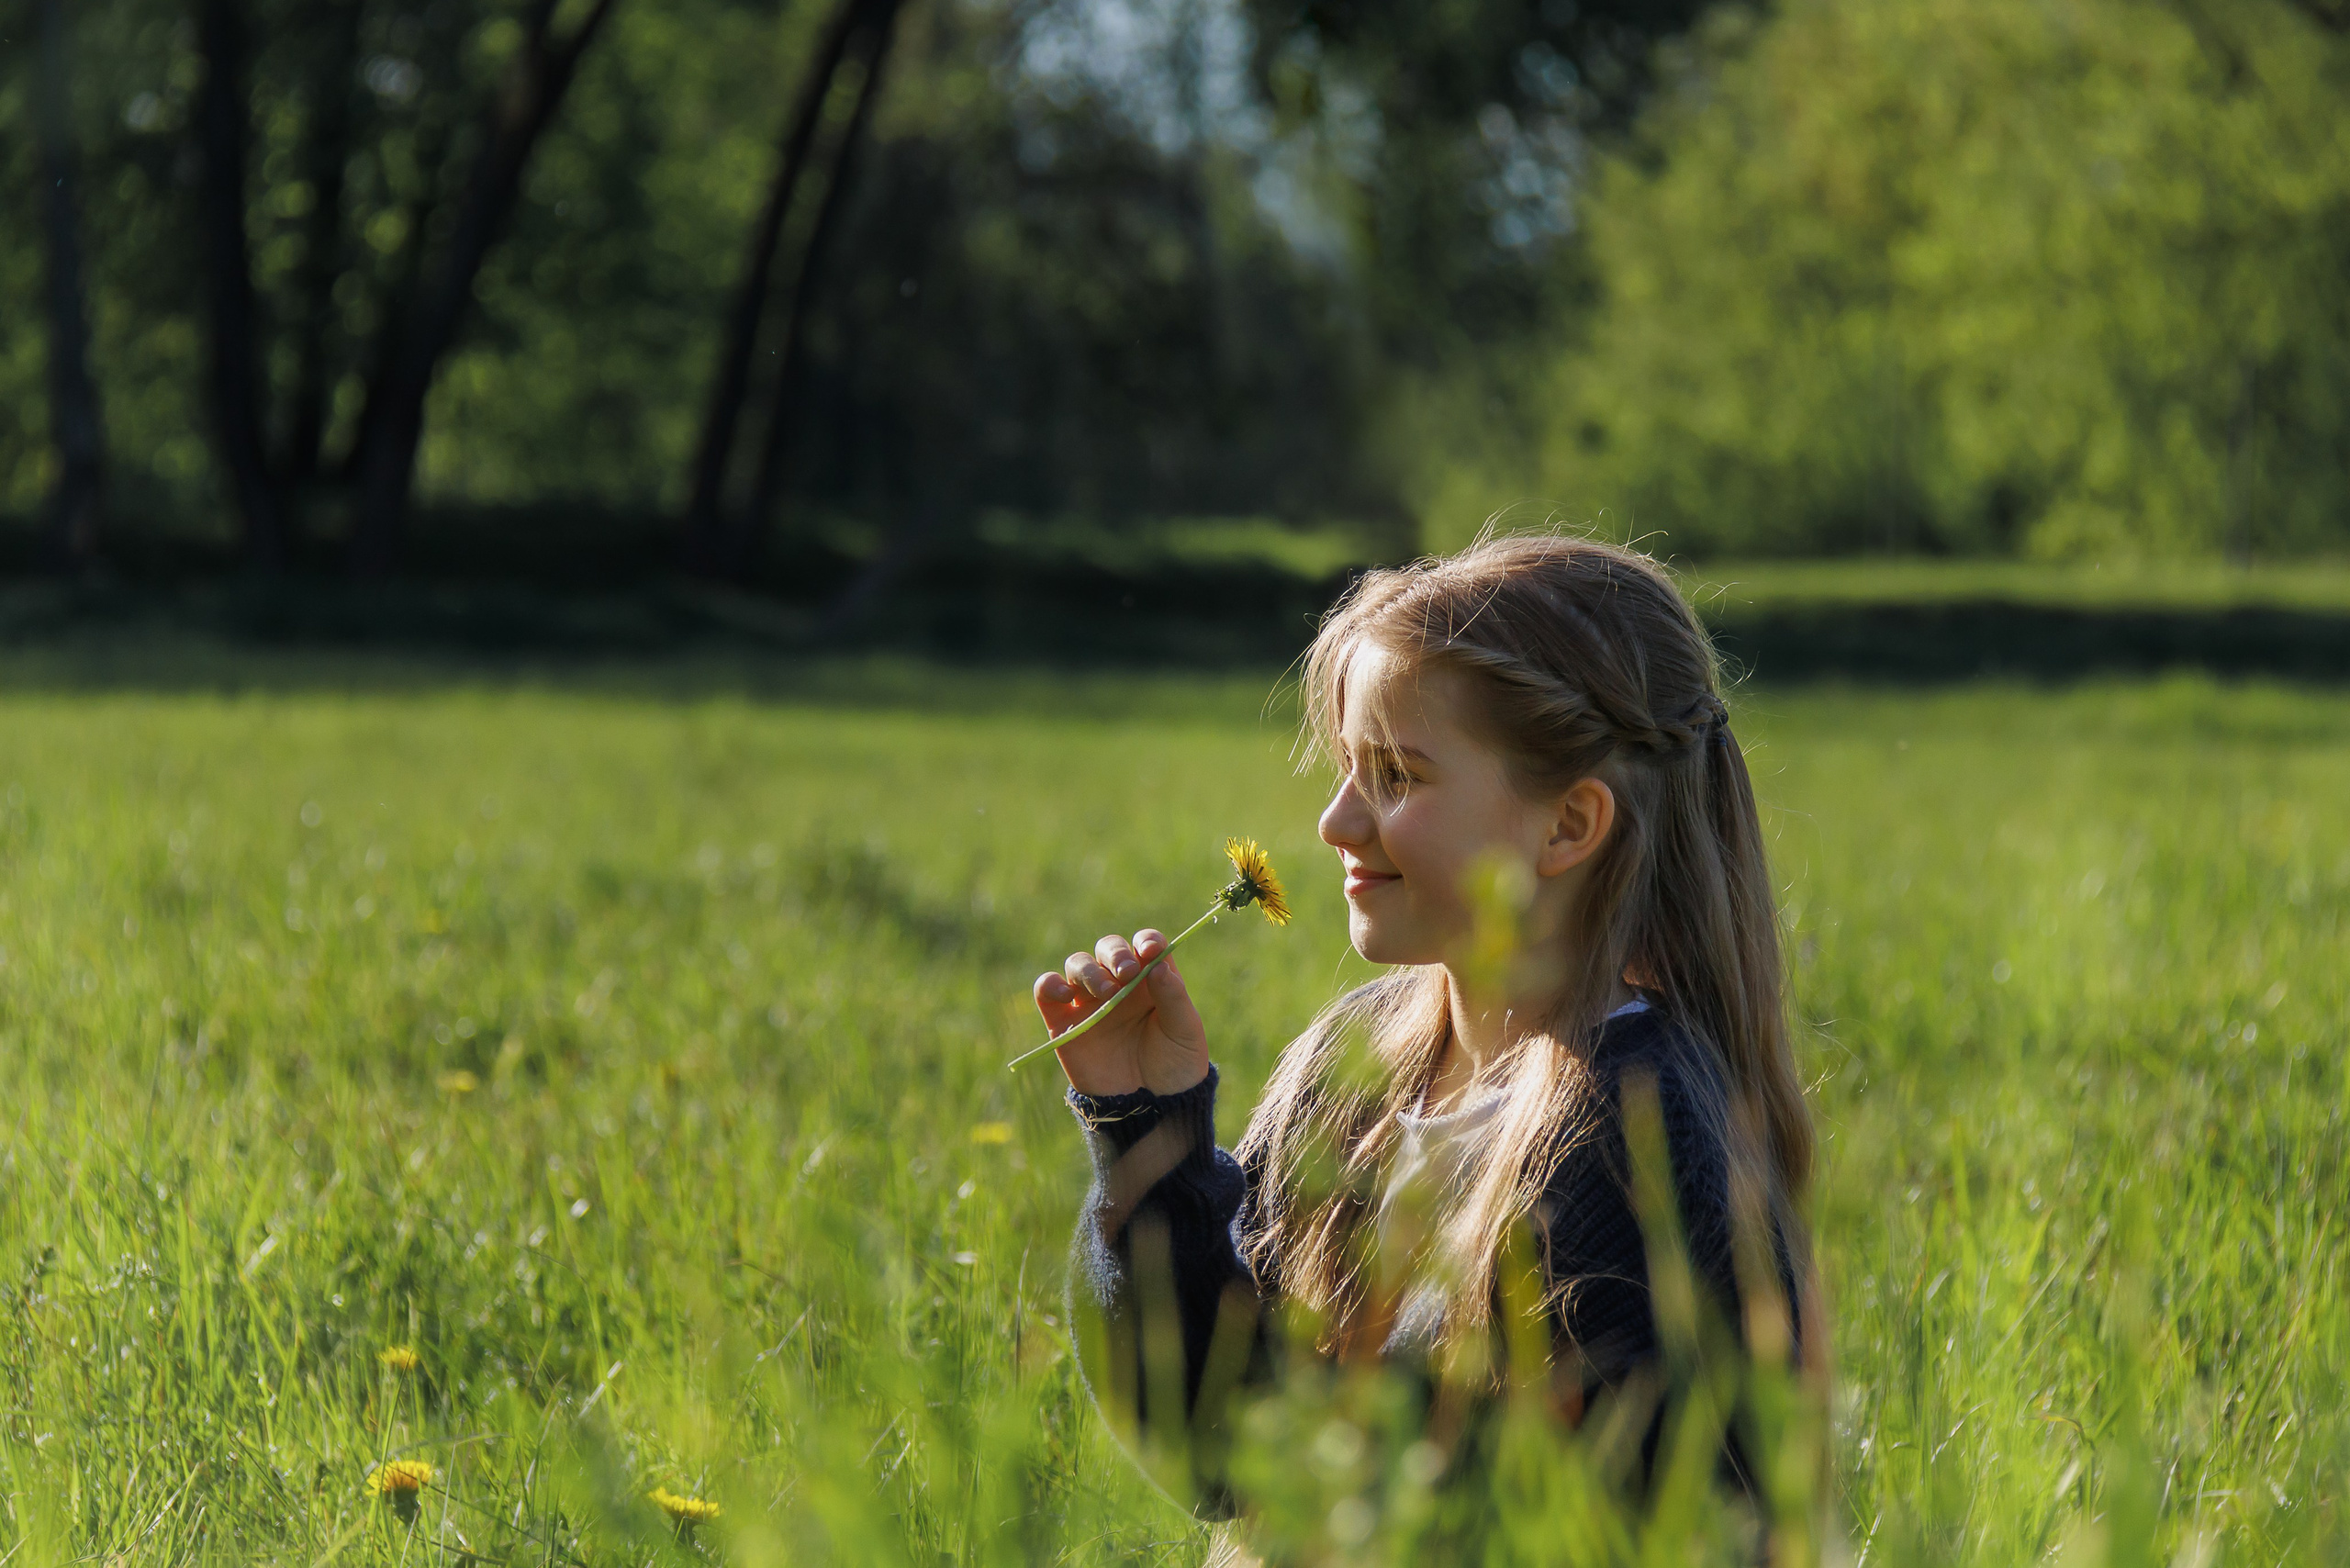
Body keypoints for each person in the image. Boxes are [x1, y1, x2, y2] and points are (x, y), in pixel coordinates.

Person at [1034, 534, 1815, 1529]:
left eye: (1396, 775)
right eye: (1347, 769)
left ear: (1567, 826)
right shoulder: (1352, 1067)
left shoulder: (1638, 1140)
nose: (1334, 822)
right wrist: (1145, 1132)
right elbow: (1222, 1449)